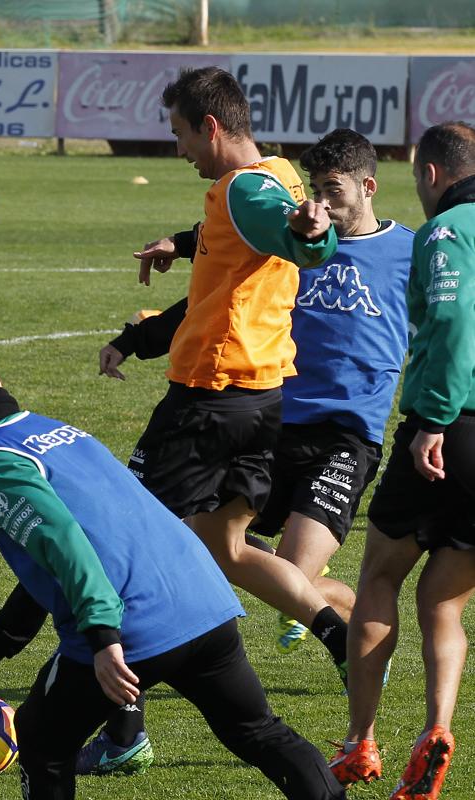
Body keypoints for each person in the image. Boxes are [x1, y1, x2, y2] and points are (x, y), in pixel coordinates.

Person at [0, 335, 346, 800]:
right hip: (203, 598)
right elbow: (52, 567)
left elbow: (66, 549)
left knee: (41, 741)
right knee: (257, 731)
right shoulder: (59, 430)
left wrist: (103, 640)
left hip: (132, 625)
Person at [90, 66, 346, 771]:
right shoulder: (279, 174)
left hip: (206, 402)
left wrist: (310, 237)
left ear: (210, 126)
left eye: (178, 133)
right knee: (225, 547)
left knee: (120, 547)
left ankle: (123, 728)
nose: (178, 151)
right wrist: (183, 241)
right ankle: (338, 635)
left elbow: (292, 237)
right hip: (263, 399)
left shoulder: (246, 190)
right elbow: (263, 234)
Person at [106, 130, 413, 656]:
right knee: (225, 552)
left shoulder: (410, 252)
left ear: (369, 187)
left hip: (346, 436)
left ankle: (357, 629)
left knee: (288, 576)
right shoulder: (295, 241)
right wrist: (139, 336)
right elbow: (219, 291)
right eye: (313, 191)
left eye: (333, 191)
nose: (321, 205)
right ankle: (352, 623)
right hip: (273, 419)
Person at [328, 121, 475, 800]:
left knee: (380, 576)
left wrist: (433, 423)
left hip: (451, 431)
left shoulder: (448, 232)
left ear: (432, 176)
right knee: (444, 602)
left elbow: (449, 325)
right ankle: (438, 728)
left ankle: (361, 741)